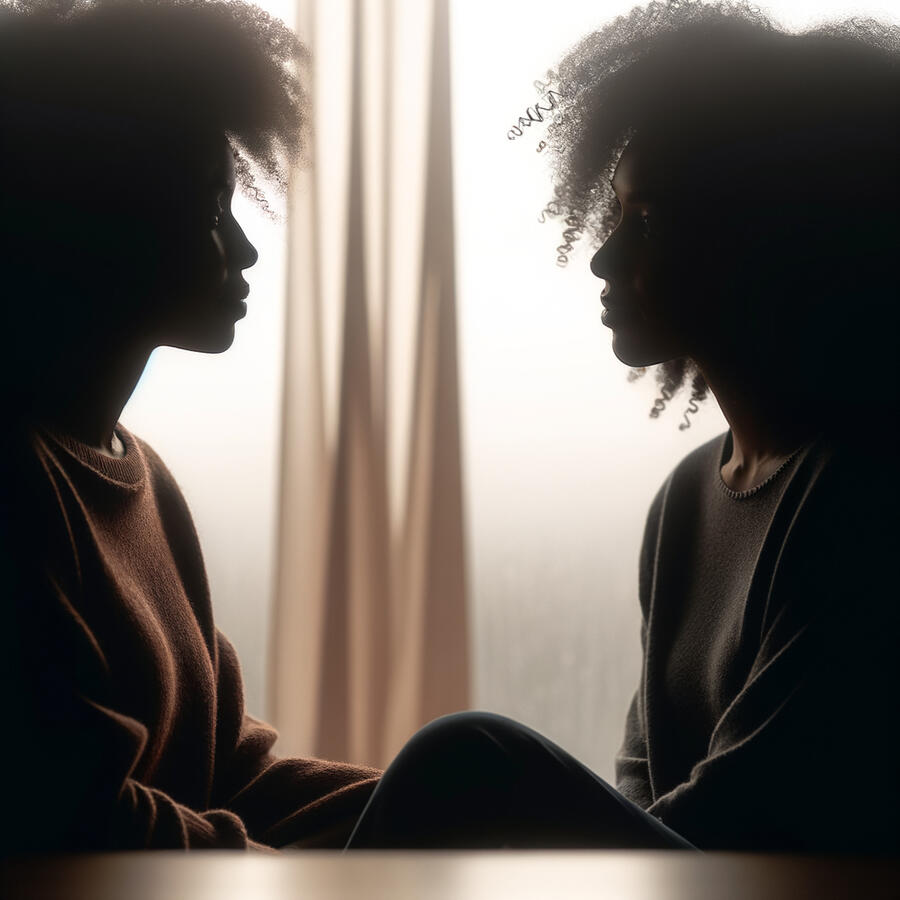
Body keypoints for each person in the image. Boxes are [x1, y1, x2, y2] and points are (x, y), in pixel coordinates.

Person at [346, 1, 899, 854]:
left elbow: (753, 815)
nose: (603, 258)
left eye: (646, 223)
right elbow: (642, 790)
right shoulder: (685, 500)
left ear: (767, 237)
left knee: (465, 760)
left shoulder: (860, 487)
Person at [0, 0, 380, 854]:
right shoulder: (19, 483)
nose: (242, 249)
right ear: (101, 212)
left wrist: (431, 799)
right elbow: (77, 817)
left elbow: (228, 769)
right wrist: (286, 876)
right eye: (211, 206)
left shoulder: (146, 478)